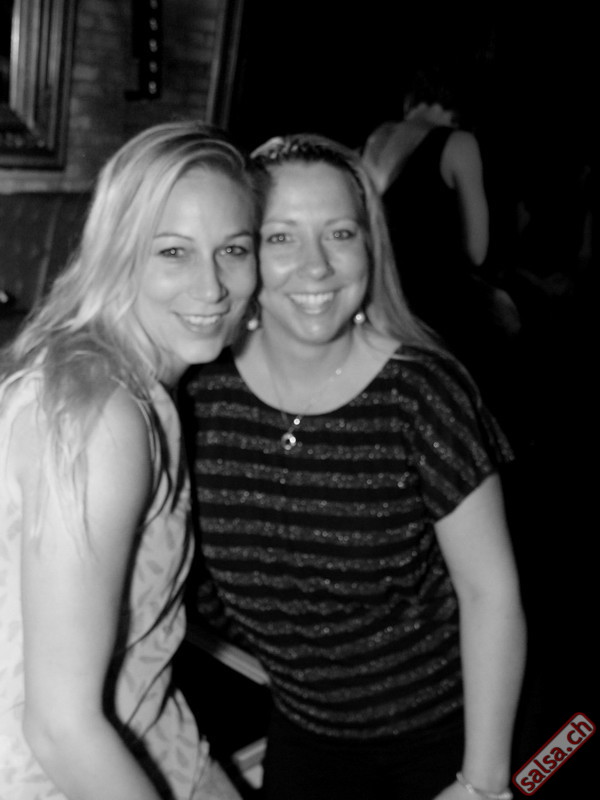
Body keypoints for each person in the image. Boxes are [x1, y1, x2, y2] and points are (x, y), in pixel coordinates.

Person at [183, 133, 527, 800]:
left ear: (371, 247)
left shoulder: (420, 392)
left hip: (447, 730)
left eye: (340, 233)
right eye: (281, 238)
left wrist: (484, 782)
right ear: (243, 254)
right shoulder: (202, 394)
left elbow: (490, 593)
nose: (316, 265)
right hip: (305, 730)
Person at [0, 120, 258, 799]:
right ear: (118, 253)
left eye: (234, 249)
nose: (212, 287)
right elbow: (58, 729)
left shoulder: (129, 385)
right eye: (173, 251)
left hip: (153, 730)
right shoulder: (105, 417)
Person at [362, 67, 520, 420]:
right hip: (436, 309)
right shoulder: (458, 143)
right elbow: (477, 250)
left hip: (381, 299)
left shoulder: (375, 138)